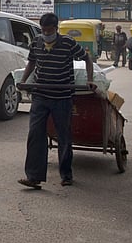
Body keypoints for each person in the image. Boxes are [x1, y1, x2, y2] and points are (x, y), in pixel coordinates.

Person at [16, 12, 96, 189]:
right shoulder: (36, 42)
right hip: (40, 96)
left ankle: (66, 174)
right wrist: (23, 81)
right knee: (35, 135)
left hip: (62, 98)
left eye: (49, 30)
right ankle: (34, 177)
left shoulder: (68, 43)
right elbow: (32, 63)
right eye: (43, 30)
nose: (46, 33)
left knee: (64, 136)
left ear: (56, 29)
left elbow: (87, 58)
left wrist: (90, 80)